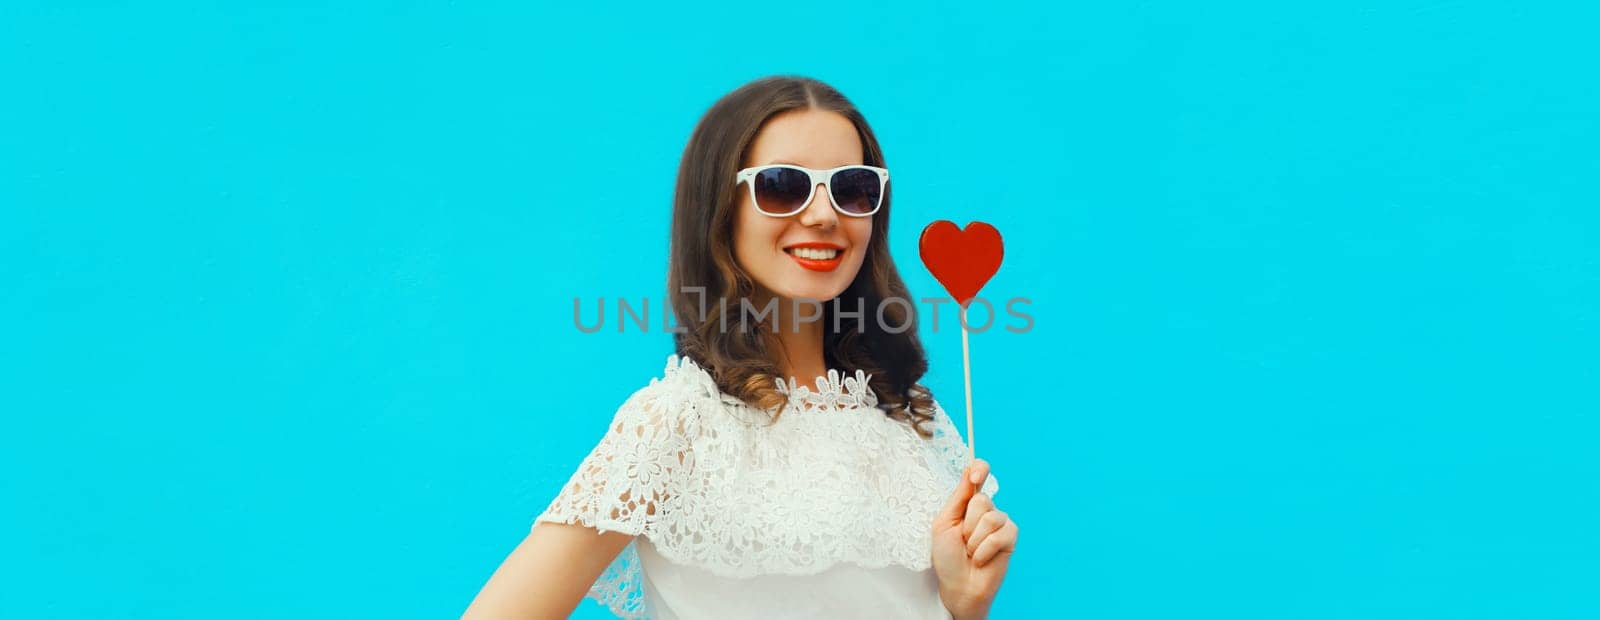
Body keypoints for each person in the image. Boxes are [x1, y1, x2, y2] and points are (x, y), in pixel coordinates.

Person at [463, 75, 1018, 619]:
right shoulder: (677, 424)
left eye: (852, 187)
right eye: (782, 185)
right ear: (719, 210)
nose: (825, 215)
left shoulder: (911, 417)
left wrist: (963, 607)